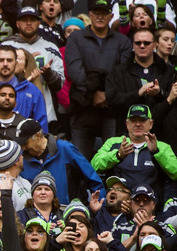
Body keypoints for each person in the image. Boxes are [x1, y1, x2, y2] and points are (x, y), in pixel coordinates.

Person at [64, 0, 133, 159]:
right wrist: (93, 93)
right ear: (90, 14)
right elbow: (75, 71)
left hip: (112, 110)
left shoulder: (122, 41)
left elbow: (123, 73)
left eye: (104, 13)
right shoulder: (76, 38)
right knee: (79, 162)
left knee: (114, 159)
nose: (100, 16)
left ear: (111, 15)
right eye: (96, 12)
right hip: (83, 108)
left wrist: (106, 95)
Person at [92, 105, 177, 206]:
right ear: (127, 124)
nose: (137, 124)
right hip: (117, 207)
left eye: (142, 120)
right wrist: (118, 155)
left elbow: (175, 173)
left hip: (149, 207)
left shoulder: (162, 147)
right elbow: (93, 166)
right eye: (133, 120)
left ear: (151, 124)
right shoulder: (113, 143)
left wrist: (156, 152)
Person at [18, 119, 105, 206]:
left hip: (70, 213)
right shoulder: (22, 160)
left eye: (26, 143)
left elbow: (92, 179)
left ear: (38, 135)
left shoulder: (65, 149)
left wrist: (101, 208)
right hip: (38, 216)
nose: (23, 148)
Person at [106, 28, 174, 133]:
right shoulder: (119, 71)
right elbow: (112, 100)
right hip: (128, 134)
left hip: (162, 133)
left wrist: (159, 93)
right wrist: (138, 93)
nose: (142, 46)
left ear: (154, 45)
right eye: (138, 43)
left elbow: (173, 101)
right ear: (133, 45)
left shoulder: (168, 71)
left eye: (146, 43)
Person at [0, 44, 49, 132]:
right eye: (1, 60)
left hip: (22, 144)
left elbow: (41, 130)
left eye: (9, 60)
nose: (5, 64)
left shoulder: (32, 92)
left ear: (16, 63)